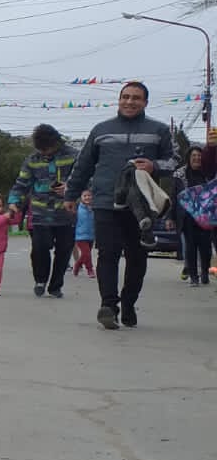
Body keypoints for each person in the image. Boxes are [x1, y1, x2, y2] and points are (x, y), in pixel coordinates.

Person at [63, 81, 176, 330]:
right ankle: (108, 306)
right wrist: (70, 195)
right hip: (105, 202)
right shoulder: (101, 130)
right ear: (119, 100)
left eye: (136, 98)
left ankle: (128, 303)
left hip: (141, 208)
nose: (129, 101)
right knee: (108, 253)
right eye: (125, 97)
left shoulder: (158, 130)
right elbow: (82, 166)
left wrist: (154, 166)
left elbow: (174, 162)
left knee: (137, 257)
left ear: (145, 102)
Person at [7, 123, 77, 299]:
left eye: (48, 149)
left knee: (64, 250)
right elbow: (21, 183)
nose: (45, 152)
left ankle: (56, 285)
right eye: (42, 149)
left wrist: (70, 188)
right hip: (40, 212)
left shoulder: (74, 155)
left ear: (57, 142)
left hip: (66, 212)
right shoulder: (32, 159)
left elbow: (86, 178)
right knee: (39, 247)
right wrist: (14, 201)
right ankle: (40, 280)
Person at [174, 146, 212, 285]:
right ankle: (194, 277)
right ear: (189, 158)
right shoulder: (180, 174)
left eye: (199, 156)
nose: (197, 158)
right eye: (194, 156)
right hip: (188, 217)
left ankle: (205, 272)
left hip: (206, 217)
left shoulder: (208, 174)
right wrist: (170, 218)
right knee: (190, 248)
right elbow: (175, 197)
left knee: (206, 249)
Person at [72, 202, 96, 279]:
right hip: (80, 236)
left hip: (91, 236)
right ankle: (90, 270)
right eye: (85, 196)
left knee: (85, 254)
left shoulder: (94, 208)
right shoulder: (78, 209)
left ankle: (77, 265)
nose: (87, 197)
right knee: (87, 253)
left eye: (89, 195)